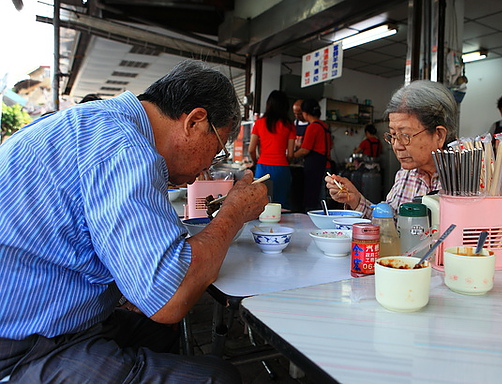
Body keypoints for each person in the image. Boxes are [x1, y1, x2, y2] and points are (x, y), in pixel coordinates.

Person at [0, 60, 268, 383]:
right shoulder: (126, 147)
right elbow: (170, 297)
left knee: (161, 331)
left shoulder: (104, 123)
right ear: (195, 121)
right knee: (219, 377)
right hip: (22, 348)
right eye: (217, 149)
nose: (207, 166)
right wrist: (234, 212)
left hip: (41, 316)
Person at [325, 80, 457, 219]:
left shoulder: (468, 179)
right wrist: (355, 199)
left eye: (405, 135)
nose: (397, 146)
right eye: (393, 135)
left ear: (439, 135)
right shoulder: (406, 175)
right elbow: (391, 226)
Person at [248, 90, 295, 209]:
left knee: (260, 204)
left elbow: (251, 149)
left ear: (268, 104)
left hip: (263, 167)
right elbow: (290, 154)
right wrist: (286, 161)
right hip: (282, 169)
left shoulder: (259, 123)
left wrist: (255, 162)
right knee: (281, 205)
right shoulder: (289, 125)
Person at [293, 98, 332, 211]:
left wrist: (291, 156)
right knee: (322, 197)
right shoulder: (324, 126)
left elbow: (305, 150)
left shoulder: (313, 127)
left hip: (315, 167)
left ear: (305, 113)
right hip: (326, 165)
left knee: (313, 197)